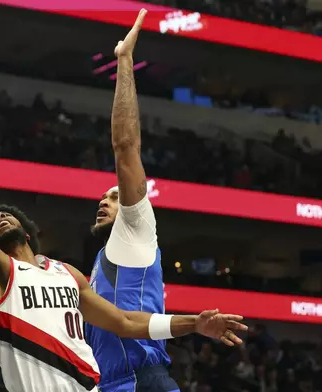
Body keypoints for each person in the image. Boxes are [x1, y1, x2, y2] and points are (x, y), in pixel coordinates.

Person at [0, 58, 247, 392]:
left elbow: (124, 321)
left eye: (3, 215)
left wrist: (195, 324)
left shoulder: (67, 274)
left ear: (27, 233)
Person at [85, 9, 233, 392]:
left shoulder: (135, 229)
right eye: (102, 197)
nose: (105, 201)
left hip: (143, 381)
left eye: (115, 196)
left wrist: (124, 61)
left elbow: (125, 146)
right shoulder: (99, 266)